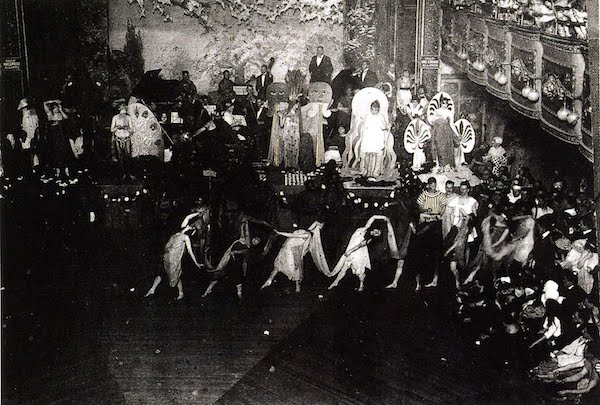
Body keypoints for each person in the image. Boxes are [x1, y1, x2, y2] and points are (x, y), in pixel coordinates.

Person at [328, 215, 399, 292]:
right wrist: (384, 218)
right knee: (344, 268)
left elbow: (359, 246)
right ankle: (336, 282)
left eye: (377, 234)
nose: (376, 233)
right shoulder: (365, 228)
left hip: (357, 254)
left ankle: (361, 284)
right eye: (377, 231)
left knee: (359, 271)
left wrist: (349, 251)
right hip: (351, 250)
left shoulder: (368, 239)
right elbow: (373, 217)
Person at [260, 222, 330, 293]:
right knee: (291, 267)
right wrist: (319, 224)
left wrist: (280, 233)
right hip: (291, 251)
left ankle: (270, 279)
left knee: (281, 266)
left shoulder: (307, 235)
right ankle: (274, 281)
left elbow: (294, 237)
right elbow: (293, 235)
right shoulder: (307, 234)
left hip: (291, 250)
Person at [144, 225, 203, 300]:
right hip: (169, 259)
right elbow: (188, 250)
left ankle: (180, 293)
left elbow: (189, 251)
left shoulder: (180, 236)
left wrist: (196, 262)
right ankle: (152, 290)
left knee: (172, 278)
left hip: (172, 260)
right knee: (166, 275)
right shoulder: (178, 236)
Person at [356, 101, 390, 179]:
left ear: (378, 109)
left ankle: (376, 172)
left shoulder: (381, 117)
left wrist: (387, 126)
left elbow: (383, 127)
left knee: (378, 154)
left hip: (377, 137)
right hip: (368, 137)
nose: (374, 111)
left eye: (376, 110)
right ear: (371, 109)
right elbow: (365, 127)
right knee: (366, 153)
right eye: (373, 109)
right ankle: (365, 171)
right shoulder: (368, 116)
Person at [43, 99, 71, 178]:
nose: (57, 109)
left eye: (57, 107)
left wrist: (61, 109)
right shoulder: (50, 115)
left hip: (62, 138)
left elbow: (66, 117)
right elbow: (44, 103)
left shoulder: (61, 115)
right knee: (55, 154)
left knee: (64, 153)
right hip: (54, 138)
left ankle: (66, 170)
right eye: (55, 108)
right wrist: (53, 101)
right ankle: (58, 171)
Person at [430, 95, 458, 172]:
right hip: (438, 131)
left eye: (446, 103)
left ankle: (447, 166)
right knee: (439, 148)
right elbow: (432, 121)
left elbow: (452, 124)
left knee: (447, 148)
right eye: (443, 103)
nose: (444, 105)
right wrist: (438, 121)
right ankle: (441, 166)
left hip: (446, 132)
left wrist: (456, 133)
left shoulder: (449, 112)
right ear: (440, 103)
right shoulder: (437, 111)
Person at [17, 98, 40, 171]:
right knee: (29, 152)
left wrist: (30, 136)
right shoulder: (24, 114)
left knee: (32, 152)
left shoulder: (30, 113)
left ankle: (34, 168)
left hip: (30, 135)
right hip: (27, 136)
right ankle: (30, 168)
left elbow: (33, 125)